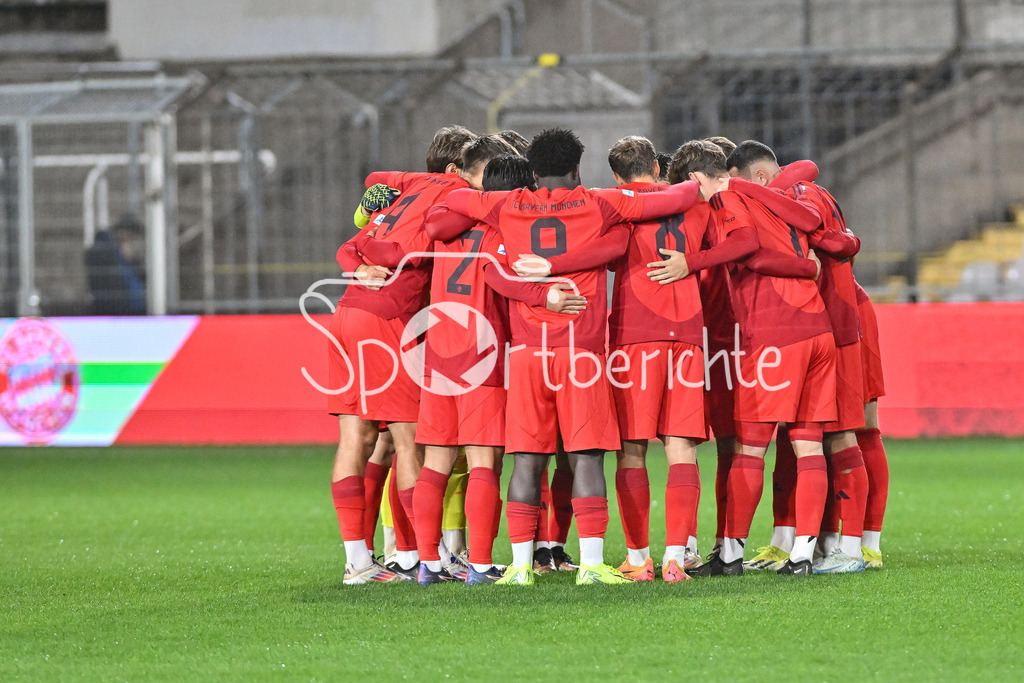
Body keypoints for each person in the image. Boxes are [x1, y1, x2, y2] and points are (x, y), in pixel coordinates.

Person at [443, 127, 702, 585]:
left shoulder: (506, 205)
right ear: (577, 169)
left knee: (526, 461)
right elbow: (680, 197)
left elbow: (455, 200)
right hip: (580, 352)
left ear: (533, 171)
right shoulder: (600, 201)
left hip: (527, 353)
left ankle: (520, 567)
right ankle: (591, 566)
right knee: (586, 458)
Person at [657, 140, 834, 577]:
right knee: (808, 444)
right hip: (817, 327)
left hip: (776, 332)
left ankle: (731, 554)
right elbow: (807, 216)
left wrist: (691, 262)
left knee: (750, 448)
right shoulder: (771, 195)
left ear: (695, 180)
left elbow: (745, 243)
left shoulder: (725, 198)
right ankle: (802, 555)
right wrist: (808, 268)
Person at [412, 149, 587, 585]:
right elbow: (502, 280)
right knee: (484, 462)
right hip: (481, 354)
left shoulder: (449, 230)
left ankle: (427, 563)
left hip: (438, 352)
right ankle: (480, 564)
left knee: (436, 462)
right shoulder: (503, 232)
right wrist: (544, 296)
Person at [329, 126, 478, 585]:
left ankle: (360, 562)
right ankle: (426, 557)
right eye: (479, 170)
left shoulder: (411, 184)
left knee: (356, 438)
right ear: (456, 169)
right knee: (411, 440)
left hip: (347, 312)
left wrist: (359, 260)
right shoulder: (455, 194)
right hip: (389, 319)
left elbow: (352, 235)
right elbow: (405, 249)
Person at [727, 140, 869, 574]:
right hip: (822, 322)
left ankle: (854, 547)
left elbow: (803, 229)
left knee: (838, 436)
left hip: (814, 324)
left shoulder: (782, 194)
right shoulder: (789, 194)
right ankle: (797, 546)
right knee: (805, 441)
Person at [603, 135, 711, 582]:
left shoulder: (615, 207)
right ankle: (676, 558)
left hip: (635, 335)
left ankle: (638, 558)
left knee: (632, 448)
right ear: (655, 166)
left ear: (616, 176)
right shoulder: (695, 204)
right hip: (686, 334)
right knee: (680, 447)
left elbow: (608, 259)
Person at [84, 214, 146, 315]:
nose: (131, 241)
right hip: (116, 308)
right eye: (130, 236)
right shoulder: (104, 249)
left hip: (130, 307)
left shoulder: (122, 252)